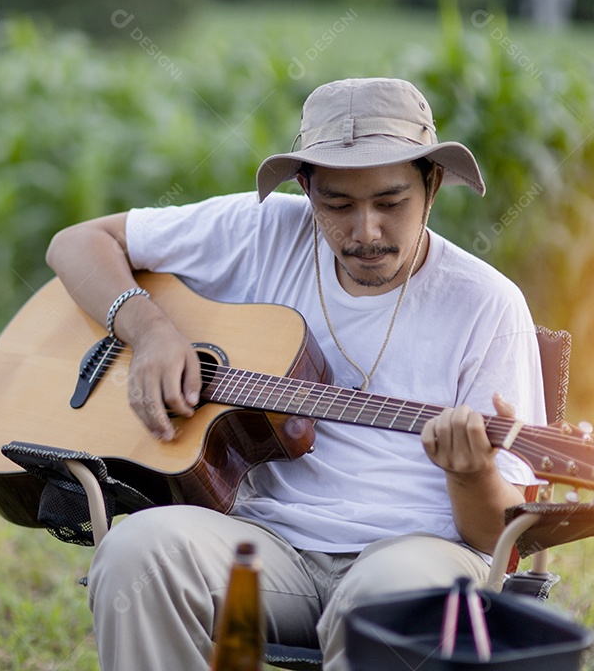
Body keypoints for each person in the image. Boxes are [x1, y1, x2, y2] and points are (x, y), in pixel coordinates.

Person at [45, 77, 545, 671]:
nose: (365, 232)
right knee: (137, 553)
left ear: (432, 185)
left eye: (391, 203)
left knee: (384, 601)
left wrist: (472, 473)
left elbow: (498, 541)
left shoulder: (487, 303)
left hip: (419, 551)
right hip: (266, 547)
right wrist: (149, 330)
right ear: (306, 189)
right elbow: (77, 244)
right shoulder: (261, 234)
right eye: (338, 205)